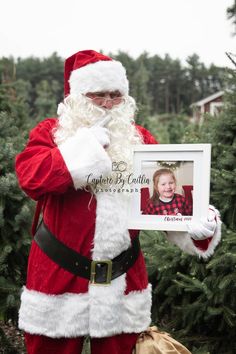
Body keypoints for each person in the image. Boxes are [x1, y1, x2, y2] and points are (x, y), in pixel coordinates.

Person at [15, 50, 221, 354]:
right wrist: (82, 150)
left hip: (123, 281)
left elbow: (163, 199)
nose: (109, 103)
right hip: (57, 278)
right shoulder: (51, 133)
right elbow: (31, 177)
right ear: (78, 96)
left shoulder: (141, 140)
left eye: (116, 95)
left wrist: (194, 224)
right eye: (99, 95)